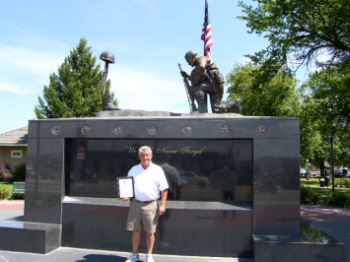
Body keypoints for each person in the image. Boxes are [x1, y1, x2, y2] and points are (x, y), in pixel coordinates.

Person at [122, 146, 169, 262]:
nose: (145, 157)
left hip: (151, 205)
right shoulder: (133, 170)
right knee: (135, 230)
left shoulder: (157, 170)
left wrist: (163, 205)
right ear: (139, 157)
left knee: (150, 231)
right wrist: (126, 195)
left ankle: (149, 255)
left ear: (151, 156)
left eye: (147, 155)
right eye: (143, 155)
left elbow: (164, 189)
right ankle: (134, 254)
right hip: (135, 204)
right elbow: (127, 186)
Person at [180, 50, 242, 114]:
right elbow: (200, 77)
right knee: (217, 110)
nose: (188, 63)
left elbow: (201, 68)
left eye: (188, 60)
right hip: (213, 84)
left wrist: (193, 79)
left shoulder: (201, 59)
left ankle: (202, 110)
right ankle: (234, 103)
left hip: (213, 83)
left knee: (197, 88)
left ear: (193, 57)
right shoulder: (197, 67)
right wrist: (188, 76)